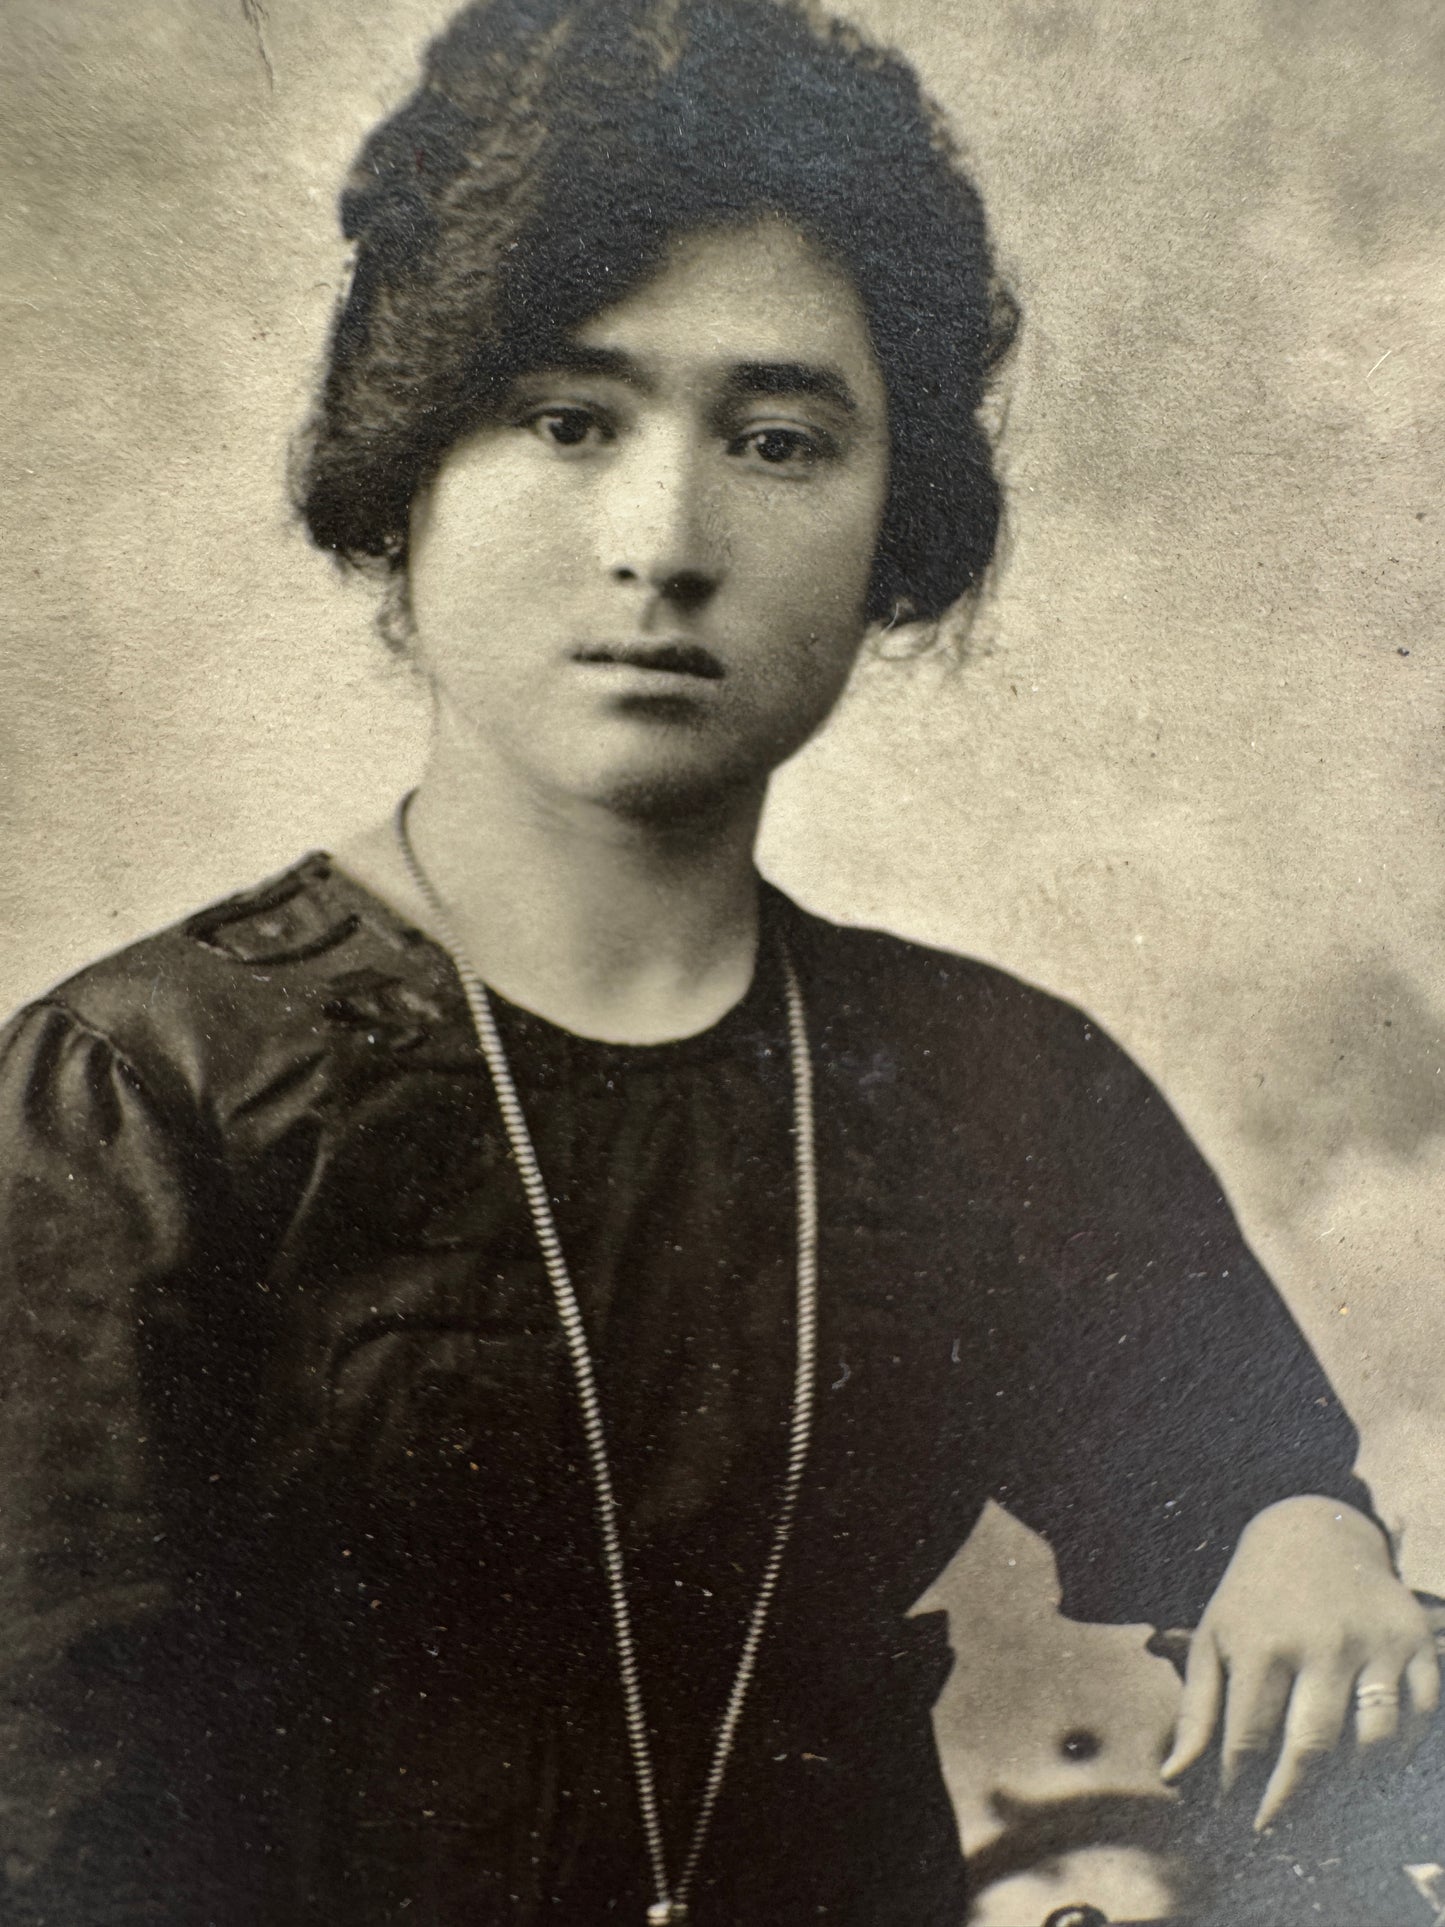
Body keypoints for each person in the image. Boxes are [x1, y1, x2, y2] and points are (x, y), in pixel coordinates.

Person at [0, 2, 1434, 1922]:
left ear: (887, 520)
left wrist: (1298, 1534)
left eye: (776, 439)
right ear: (407, 471)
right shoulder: (134, 1108)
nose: (664, 541)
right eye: (566, 420)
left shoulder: (993, 1083)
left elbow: (1230, 1483)